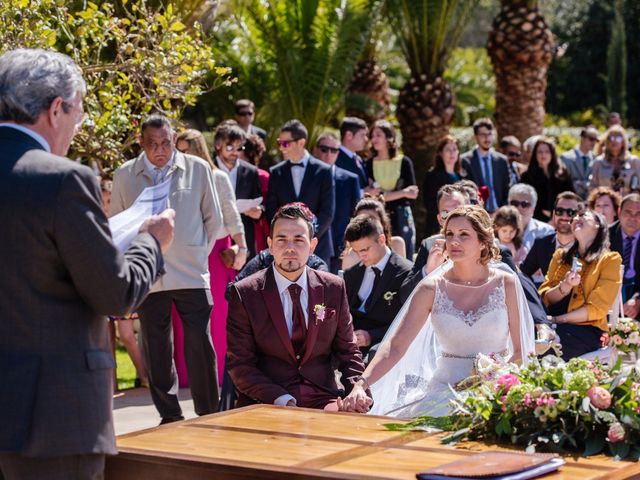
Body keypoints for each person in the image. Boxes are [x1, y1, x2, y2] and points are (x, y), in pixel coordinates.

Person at [0, 48, 172, 478]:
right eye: (78, 114)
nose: (77, 129)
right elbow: (115, 291)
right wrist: (150, 242)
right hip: (50, 417)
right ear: (56, 109)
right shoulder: (61, 179)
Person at [339, 205, 535, 417]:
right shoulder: (430, 288)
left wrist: (497, 384)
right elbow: (395, 346)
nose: (454, 241)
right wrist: (361, 383)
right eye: (449, 234)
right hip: (444, 393)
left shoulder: (506, 283)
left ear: (483, 241)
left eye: (464, 234)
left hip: (496, 394)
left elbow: (520, 351)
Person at [111, 114, 223, 424]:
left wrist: (198, 253)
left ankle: (208, 412)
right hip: (149, 274)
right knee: (156, 346)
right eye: (153, 144)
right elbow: (119, 222)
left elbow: (212, 220)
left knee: (200, 342)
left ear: (173, 140)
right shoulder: (124, 175)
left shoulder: (198, 169)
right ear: (141, 143)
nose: (161, 150)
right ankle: (169, 414)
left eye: (166, 143)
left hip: (191, 272)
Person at [226, 204, 365, 409]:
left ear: (312, 245)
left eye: (299, 240)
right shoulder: (245, 293)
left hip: (323, 397)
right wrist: (281, 399)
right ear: (270, 245)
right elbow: (241, 365)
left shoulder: (333, 287)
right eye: (282, 240)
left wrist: (357, 387)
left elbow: (348, 351)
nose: (290, 248)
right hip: (268, 401)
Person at [174, 128, 246, 385]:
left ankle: (220, 376)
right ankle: (186, 376)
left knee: (217, 316)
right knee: (183, 317)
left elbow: (232, 216)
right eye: (177, 151)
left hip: (216, 254)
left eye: (184, 151)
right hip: (184, 255)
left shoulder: (217, 177)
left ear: (197, 149)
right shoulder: (174, 180)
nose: (180, 156)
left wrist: (242, 248)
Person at [540, 210, 622, 360]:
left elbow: (597, 309)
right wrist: (565, 286)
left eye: (583, 215)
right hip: (552, 324)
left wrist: (557, 320)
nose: (577, 217)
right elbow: (544, 297)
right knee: (530, 337)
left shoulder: (610, 259)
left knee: (546, 345)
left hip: (587, 330)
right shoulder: (560, 256)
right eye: (576, 216)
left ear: (598, 224)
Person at [342, 215, 413, 359]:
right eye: (356, 251)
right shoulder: (353, 273)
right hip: (351, 340)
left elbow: (409, 322)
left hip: (384, 342)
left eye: (365, 249)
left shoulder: (406, 272)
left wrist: (371, 336)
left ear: (381, 240)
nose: (361, 256)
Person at [266, 119, 335, 264]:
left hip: (319, 246)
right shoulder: (276, 172)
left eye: (285, 143)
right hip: (285, 251)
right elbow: (271, 210)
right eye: (280, 143)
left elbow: (327, 211)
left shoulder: (324, 171)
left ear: (301, 143)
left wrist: (307, 238)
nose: (281, 148)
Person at [366, 119, 418, 258]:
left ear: (389, 138)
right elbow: (371, 195)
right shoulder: (369, 163)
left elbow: (413, 194)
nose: (373, 139)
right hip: (378, 216)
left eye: (378, 135)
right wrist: (402, 193)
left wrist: (384, 194)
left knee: (404, 256)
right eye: (372, 135)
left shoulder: (404, 162)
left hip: (401, 217)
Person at [313, 132, 362, 273]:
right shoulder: (307, 177)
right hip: (311, 243)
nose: (329, 154)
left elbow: (356, 215)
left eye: (334, 150)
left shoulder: (350, 179)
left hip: (340, 247)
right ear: (316, 150)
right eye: (324, 149)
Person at [213, 122, 262, 260]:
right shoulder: (207, 169)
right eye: (230, 147)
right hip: (216, 239)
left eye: (240, 147)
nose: (236, 152)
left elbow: (259, 201)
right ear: (218, 145)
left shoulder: (251, 171)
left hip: (244, 240)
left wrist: (258, 212)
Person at [521, 191, 580, 285]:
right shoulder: (541, 244)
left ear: (579, 217)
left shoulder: (585, 245)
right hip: (547, 297)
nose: (564, 216)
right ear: (553, 215)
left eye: (571, 212)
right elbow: (523, 274)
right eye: (559, 211)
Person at [341, 196, 406, 270]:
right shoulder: (350, 256)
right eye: (361, 220)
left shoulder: (397, 244)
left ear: (382, 222)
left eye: (372, 220)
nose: (367, 225)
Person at [460, 118, 510, 212]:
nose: (487, 138)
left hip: (499, 213)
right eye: (483, 134)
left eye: (490, 134)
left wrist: (502, 210)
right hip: (476, 212)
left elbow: (507, 189)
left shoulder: (502, 161)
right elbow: (465, 189)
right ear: (475, 137)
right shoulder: (466, 161)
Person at [520, 137, 574, 222]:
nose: (543, 155)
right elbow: (525, 202)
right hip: (536, 220)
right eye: (540, 152)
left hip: (562, 219)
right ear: (535, 154)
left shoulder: (562, 174)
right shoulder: (527, 176)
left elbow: (571, 196)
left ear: (552, 154)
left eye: (547, 152)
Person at [423, 135, 465, 236]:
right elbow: (430, 204)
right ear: (440, 153)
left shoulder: (461, 175)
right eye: (448, 149)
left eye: (454, 149)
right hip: (438, 226)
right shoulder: (432, 175)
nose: (452, 153)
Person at [608, 193, 640, 316]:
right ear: (619, 211)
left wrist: (637, 300)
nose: (633, 217)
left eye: (638, 213)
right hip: (609, 293)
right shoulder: (605, 235)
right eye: (628, 212)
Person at [240, 133, 270, 252]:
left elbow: (271, 206)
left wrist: (261, 211)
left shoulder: (263, 177)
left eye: (239, 149)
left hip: (256, 234)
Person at [590, 125, 640, 195]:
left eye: (618, 138)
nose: (614, 141)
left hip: (628, 203)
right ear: (607, 141)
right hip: (605, 203)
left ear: (623, 142)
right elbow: (592, 186)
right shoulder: (598, 162)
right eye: (611, 138)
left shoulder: (634, 161)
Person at [507, 183, 554, 252]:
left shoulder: (545, 232)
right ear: (508, 205)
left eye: (525, 204)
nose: (519, 208)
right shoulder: (495, 230)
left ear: (533, 209)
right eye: (515, 203)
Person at [560, 126, 599, 199]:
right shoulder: (566, 158)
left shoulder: (597, 159)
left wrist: (578, 183)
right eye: (591, 139)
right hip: (571, 200)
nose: (594, 142)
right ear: (582, 138)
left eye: (596, 140)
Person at [336, 116, 369, 189]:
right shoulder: (335, 158)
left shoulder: (358, 159)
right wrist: (364, 193)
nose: (366, 139)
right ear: (349, 135)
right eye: (362, 135)